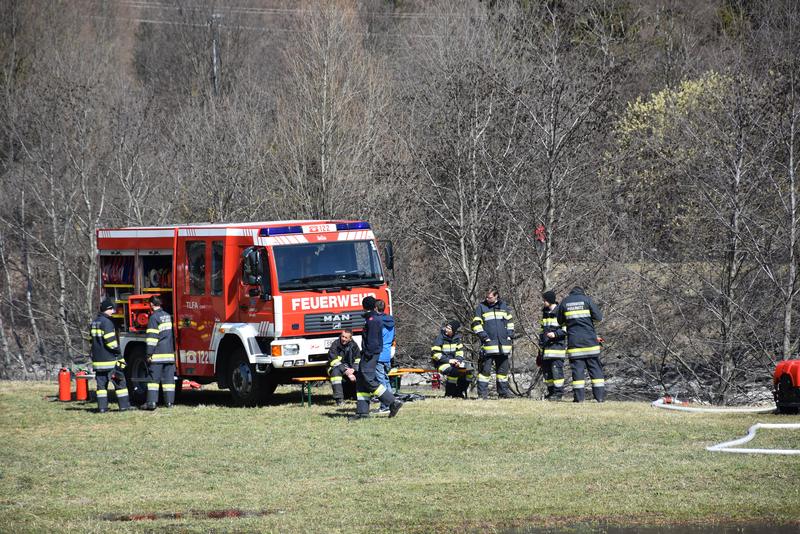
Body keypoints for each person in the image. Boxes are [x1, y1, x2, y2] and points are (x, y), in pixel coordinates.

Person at [351, 296, 403, 420]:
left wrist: (368, 354)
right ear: (374, 306)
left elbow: (373, 341)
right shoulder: (371, 319)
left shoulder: (373, 320)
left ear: (364, 307)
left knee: (369, 380)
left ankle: (392, 402)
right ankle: (362, 412)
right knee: (362, 381)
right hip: (369, 354)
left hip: (370, 355)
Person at [556, 286, 605, 403]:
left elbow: (559, 321)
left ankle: (579, 399)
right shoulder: (587, 300)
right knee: (595, 370)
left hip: (575, 343)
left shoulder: (565, 302)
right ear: (582, 292)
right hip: (590, 342)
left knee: (577, 372)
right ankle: (599, 398)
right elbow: (599, 318)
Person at [89, 299, 132, 412]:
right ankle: (124, 406)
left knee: (101, 387)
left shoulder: (94, 322)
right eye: (112, 309)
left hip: (98, 361)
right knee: (120, 383)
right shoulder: (107, 323)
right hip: (109, 361)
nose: (113, 311)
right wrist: (118, 352)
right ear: (107, 309)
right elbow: (111, 343)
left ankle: (102, 408)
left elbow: (91, 341)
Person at [472, 288, 515, 399]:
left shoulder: (504, 306)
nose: (487, 299)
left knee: (502, 372)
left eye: (490, 297)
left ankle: (503, 393)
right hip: (489, 346)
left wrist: (509, 336)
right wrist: (484, 338)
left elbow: (510, 322)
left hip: (503, 346)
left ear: (496, 296)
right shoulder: (481, 307)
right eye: (486, 297)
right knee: (484, 371)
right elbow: (476, 324)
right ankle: (482, 395)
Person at [142, 295, 176, 410]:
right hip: (169, 355)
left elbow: (152, 338)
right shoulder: (167, 316)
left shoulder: (153, 318)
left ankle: (151, 403)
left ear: (151, 304)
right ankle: (169, 403)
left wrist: (148, 354)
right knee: (169, 381)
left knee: (153, 380)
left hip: (157, 355)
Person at [431, 319, 472, 398]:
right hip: (441, 364)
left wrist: (458, 361)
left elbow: (460, 352)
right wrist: (449, 360)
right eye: (447, 327)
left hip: (455, 363)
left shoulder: (457, 339)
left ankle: (459, 392)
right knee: (454, 371)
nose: (447, 329)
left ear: (454, 331)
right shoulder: (440, 338)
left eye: (449, 329)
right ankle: (449, 393)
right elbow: (435, 354)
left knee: (469, 370)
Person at [540, 290, 567, 401]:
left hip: (557, 349)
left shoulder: (560, 311)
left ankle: (558, 394)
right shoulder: (545, 312)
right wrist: (541, 343)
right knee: (547, 373)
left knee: (557, 372)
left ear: (550, 300)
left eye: (545, 300)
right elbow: (542, 330)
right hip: (546, 349)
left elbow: (566, 329)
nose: (543, 302)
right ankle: (551, 393)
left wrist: (555, 334)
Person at [327, 329, 359, 406]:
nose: (343, 339)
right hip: (335, 368)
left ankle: (360, 397)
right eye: (342, 336)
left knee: (362, 372)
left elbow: (358, 359)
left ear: (350, 339)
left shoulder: (354, 345)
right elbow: (334, 361)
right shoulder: (335, 344)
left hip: (350, 368)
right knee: (336, 373)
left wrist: (353, 369)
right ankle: (339, 400)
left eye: (346, 337)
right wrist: (346, 371)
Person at [375, 299, 395, 413]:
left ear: (376, 308)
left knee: (380, 381)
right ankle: (392, 403)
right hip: (387, 353)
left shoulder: (377, 321)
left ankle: (385, 405)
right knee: (386, 380)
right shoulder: (391, 320)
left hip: (379, 353)